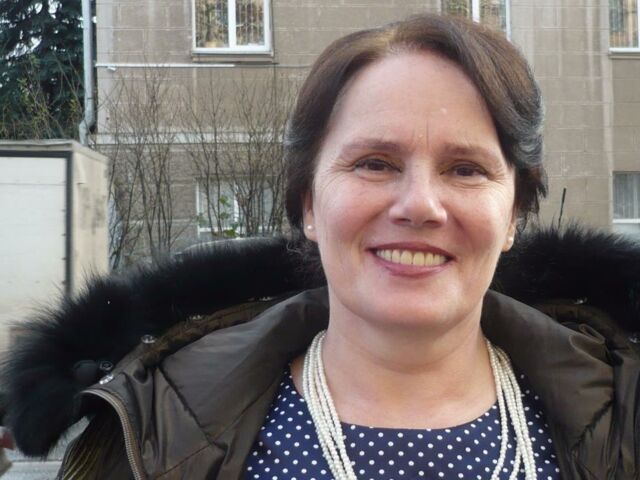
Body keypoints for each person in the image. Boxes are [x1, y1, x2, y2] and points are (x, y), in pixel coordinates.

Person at [1, 13, 639, 480]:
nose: (419, 204)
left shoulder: (623, 421)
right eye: (374, 163)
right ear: (308, 203)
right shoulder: (152, 429)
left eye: (466, 169)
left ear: (515, 214)